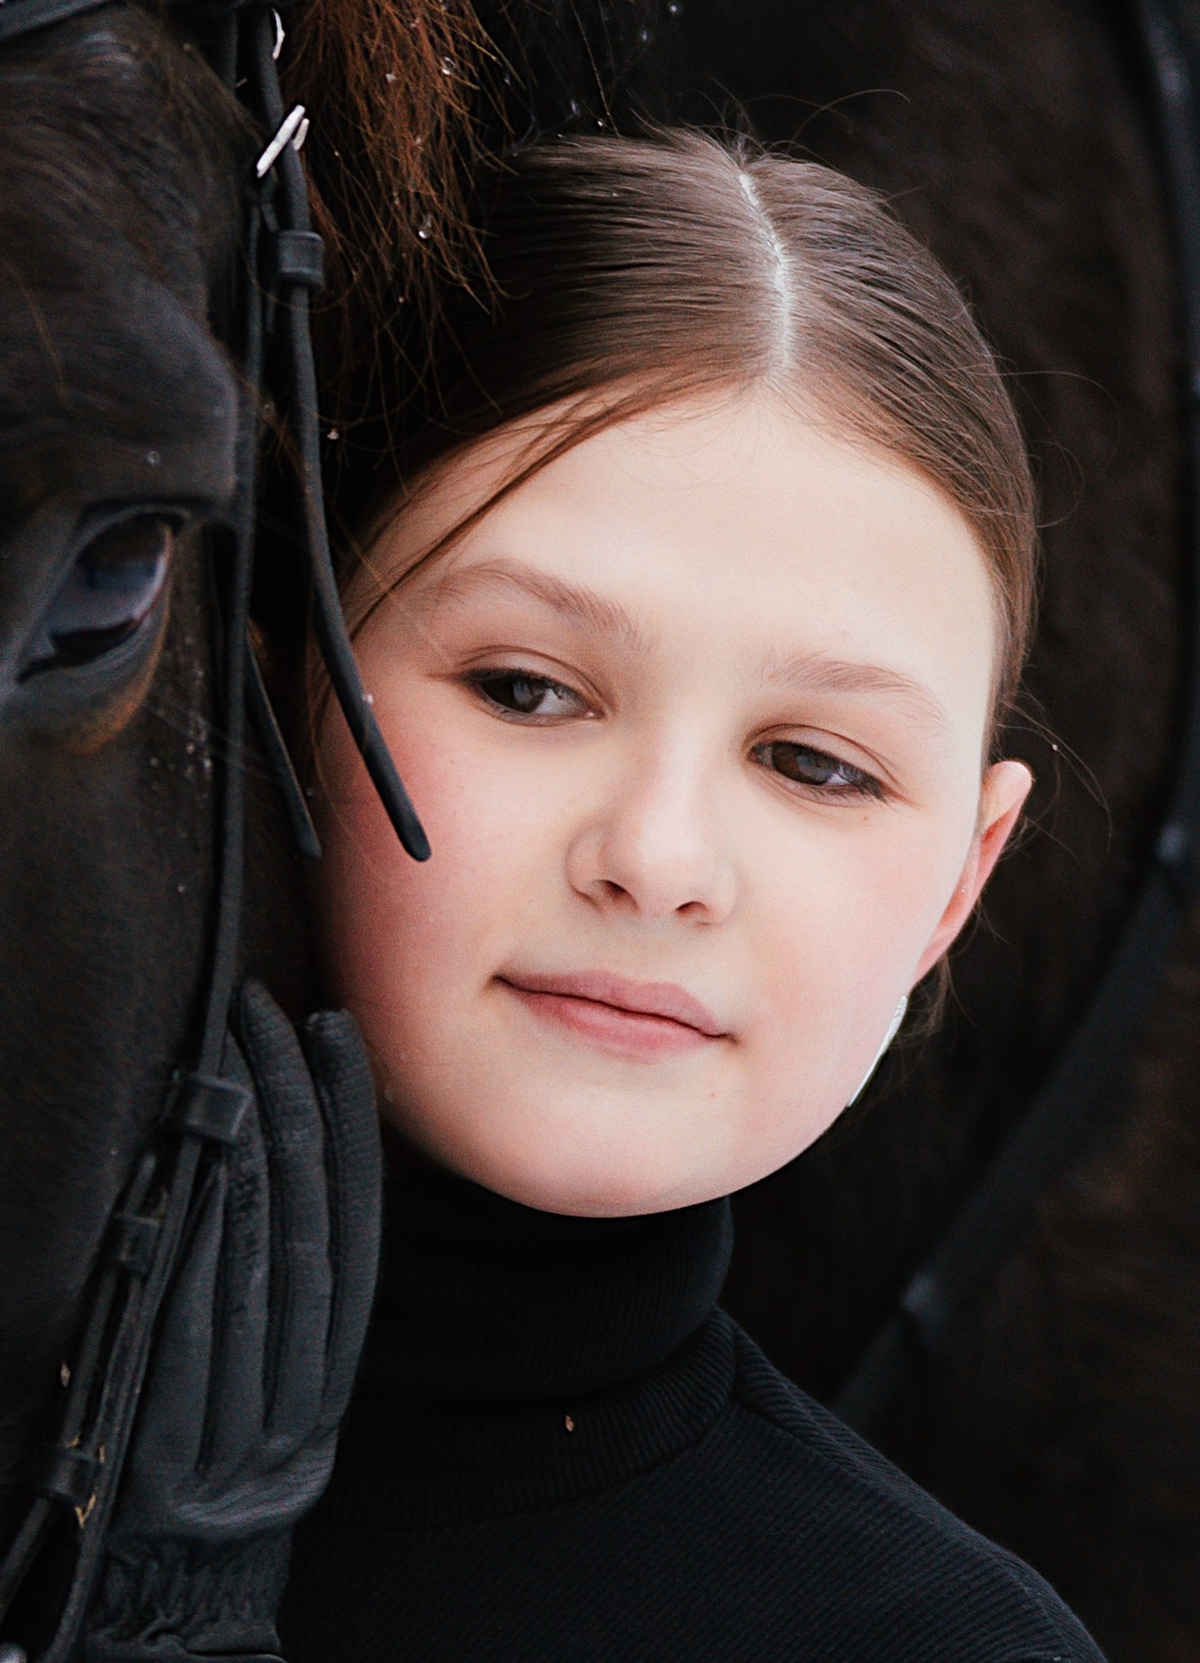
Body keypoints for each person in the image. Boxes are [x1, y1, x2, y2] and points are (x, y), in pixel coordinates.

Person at [275, 131, 1104, 1661]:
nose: (655, 859)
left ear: (958, 888)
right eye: (526, 689)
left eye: (815, 764)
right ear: (287, 680)